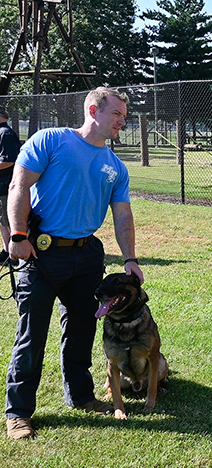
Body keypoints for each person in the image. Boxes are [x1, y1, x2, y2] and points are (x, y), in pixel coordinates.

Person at [5, 87, 144, 440]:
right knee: (32, 333)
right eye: (117, 115)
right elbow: (19, 184)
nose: (122, 122)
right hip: (42, 251)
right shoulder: (50, 140)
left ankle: (81, 396)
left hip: (87, 255)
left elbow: (123, 214)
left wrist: (130, 258)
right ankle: (18, 412)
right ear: (94, 110)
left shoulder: (114, 166)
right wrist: (18, 235)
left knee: (82, 328)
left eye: (124, 116)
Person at [0, 106, 21, 264]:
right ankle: (6, 250)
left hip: (7, 185)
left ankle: (14, 253)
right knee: (2, 221)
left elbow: (9, 160)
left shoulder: (5, 134)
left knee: (8, 220)